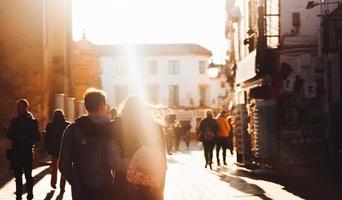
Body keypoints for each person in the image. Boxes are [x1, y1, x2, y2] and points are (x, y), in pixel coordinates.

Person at [58, 88, 130, 200]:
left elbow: (63, 164)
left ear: (86, 107)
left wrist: (76, 183)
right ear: (102, 107)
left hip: (80, 193)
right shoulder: (109, 130)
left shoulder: (71, 129)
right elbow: (116, 163)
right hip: (105, 191)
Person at [113, 96, 166, 200]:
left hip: (124, 184)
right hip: (151, 184)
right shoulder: (155, 127)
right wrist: (160, 186)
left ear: (125, 110)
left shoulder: (118, 127)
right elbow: (162, 160)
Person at [7, 99, 40, 200]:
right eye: (17, 107)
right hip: (16, 151)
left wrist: (26, 138)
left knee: (28, 175)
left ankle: (30, 194)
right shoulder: (14, 121)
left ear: (26, 108)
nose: (18, 109)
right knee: (17, 176)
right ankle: (19, 195)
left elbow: (37, 137)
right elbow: (10, 135)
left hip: (26, 151)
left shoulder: (33, 122)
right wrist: (15, 135)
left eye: (20, 107)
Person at [44, 109, 70, 191]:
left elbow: (46, 137)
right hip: (64, 148)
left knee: (54, 165)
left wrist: (47, 147)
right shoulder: (67, 125)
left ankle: (53, 183)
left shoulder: (50, 125)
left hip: (54, 148)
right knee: (64, 167)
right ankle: (62, 186)